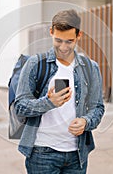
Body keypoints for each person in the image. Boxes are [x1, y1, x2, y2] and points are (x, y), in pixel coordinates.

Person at [14, 9, 105, 173]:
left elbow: (97, 107)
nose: (63, 47)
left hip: (77, 155)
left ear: (79, 36)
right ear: (51, 32)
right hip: (42, 153)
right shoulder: (35, 64)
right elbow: (19, 106)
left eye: (69, 41)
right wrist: (49, 102)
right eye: (58, 40)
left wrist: (86, 122)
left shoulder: (91, 68)